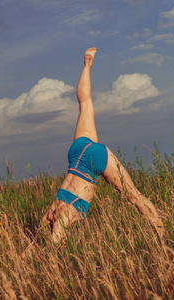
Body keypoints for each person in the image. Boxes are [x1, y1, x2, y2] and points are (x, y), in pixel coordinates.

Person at [37, 47, 165, 244]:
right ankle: (87, 64)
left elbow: (50, 247)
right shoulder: (51, 212)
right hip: (77, 152)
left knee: (134, 197)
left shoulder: (56, 215)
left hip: (94, 160)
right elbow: (36, 243)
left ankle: (164, 240)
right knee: (85, 104)